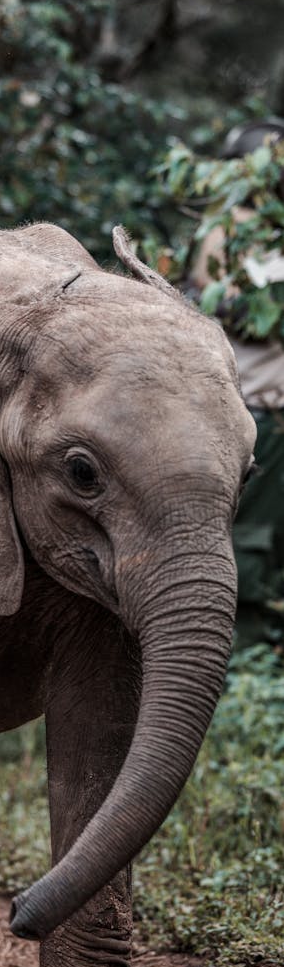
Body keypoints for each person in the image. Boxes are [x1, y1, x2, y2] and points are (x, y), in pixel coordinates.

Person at [189, 118, 284, 647]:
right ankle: (242, 666)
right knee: (248, 546)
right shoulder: (224, 229)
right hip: (256, 415)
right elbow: (207, 300)